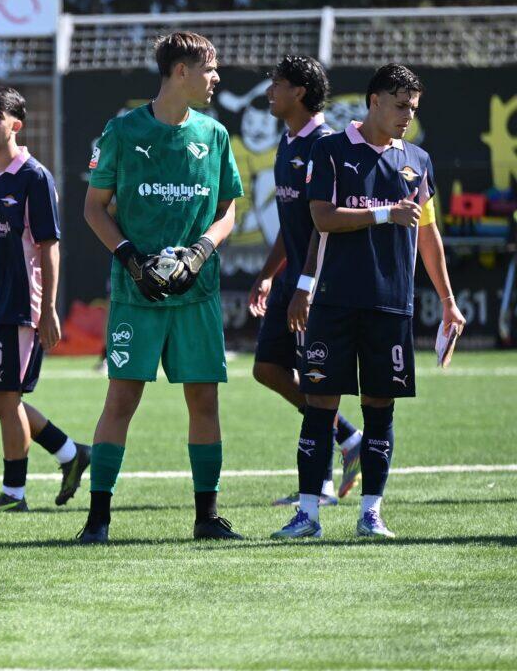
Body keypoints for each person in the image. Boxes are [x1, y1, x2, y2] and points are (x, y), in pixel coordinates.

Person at [273, 64, 465, 540]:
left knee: (381, 407)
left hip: (390, 306)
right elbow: (321, 218)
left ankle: (371, 513)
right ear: (375, 101)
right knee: (319, 404)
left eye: (413, 109)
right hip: (335, 303)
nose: (407, 117)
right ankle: (308, 516)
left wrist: (448, 300)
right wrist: (382, 213)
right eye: (400, 106)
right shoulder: (331, 149)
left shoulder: (418, 160)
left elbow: (428, 234)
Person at [79, 31, 244, 543]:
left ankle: (207, 517)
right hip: (138, 296)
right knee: (121, 400)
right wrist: (130, 259)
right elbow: (93, 209)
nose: (216, 78)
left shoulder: (214, 135)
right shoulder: (123, 131)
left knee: (204, 402)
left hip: (197, 294)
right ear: (180, 71)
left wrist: (200, 252)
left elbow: (228, 211)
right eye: (209, 68)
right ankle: (98, 519)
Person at [247, 56, 362, 507]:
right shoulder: (287, 140)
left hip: (315, 286)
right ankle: (347, 438)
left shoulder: (326, 146)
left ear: (299, 92)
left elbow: (324, 226)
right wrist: (266, 275)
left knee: (317, 383)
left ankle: (321, 488)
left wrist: (306, 286)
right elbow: (291, 223)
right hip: (289, 280)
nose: (269, 92)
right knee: (267, 369)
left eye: (276, 84)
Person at [0, 86, 91, 512]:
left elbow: (48, 245)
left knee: (6, 399)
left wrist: (48, 309)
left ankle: (14, 494)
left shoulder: (34, 176)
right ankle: (69, 452)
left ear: (15, 125)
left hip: (25, 302)